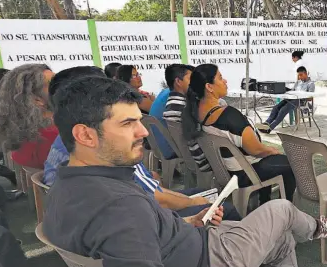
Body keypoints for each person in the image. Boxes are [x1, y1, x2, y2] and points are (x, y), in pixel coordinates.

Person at [44, 76, 327, 267]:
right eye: (126, 124)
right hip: (209, 258)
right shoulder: (121, 208)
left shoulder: (65, 185)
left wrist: (192, 220)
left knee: (281, 240)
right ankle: (315, 229)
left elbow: (151, 232)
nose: (142, 132)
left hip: (193, 240)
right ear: (85, 135)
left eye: (138, 120)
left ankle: (309, 230)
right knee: (280, 208)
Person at [40, 67, 239, 221]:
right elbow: (153, 198)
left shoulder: (72, 164)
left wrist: (188, 219)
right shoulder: (110, 163)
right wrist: (191, 205)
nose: (143, 132)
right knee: (226, 208)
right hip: (169, 227)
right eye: (127, 123)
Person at [181, 64, 297, 203]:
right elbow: (256, 150)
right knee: (293, 162)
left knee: (269, 159)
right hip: (245, 173)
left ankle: (265, 201)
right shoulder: (228, 116)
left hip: (226, 171)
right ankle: (286, 206)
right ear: (209, 87)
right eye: (220, 78)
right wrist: (271, 150)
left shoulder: (196, 113)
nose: (225, 81)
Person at [0, 64, 58, 169]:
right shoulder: (59, 136)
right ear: (37, 100)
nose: (65, 85)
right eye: (55, 83)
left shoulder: (20, 136)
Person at [258, 66, 315, 133]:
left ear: (305, 73)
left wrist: (302, 95)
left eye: (301, 75)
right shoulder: (298, 82)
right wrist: (286, 90)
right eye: (298, 75)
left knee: (283, 110)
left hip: (300, 101)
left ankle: (269, 128)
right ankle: (266, 123)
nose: (299, 77)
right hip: (291, 99)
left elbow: (310, 98)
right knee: (276, 107)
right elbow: (293, 91)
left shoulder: (311, 84)